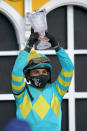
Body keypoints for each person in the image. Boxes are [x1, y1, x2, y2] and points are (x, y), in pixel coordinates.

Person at [11, 28, 74, 131]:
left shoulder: (57, 90)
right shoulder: (21, 92)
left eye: (44, 72)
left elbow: (69, 68)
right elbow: (16, 72)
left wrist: (56, 46)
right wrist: (28, 46)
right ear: (28, 75)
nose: (41, 74)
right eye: (36, 72)